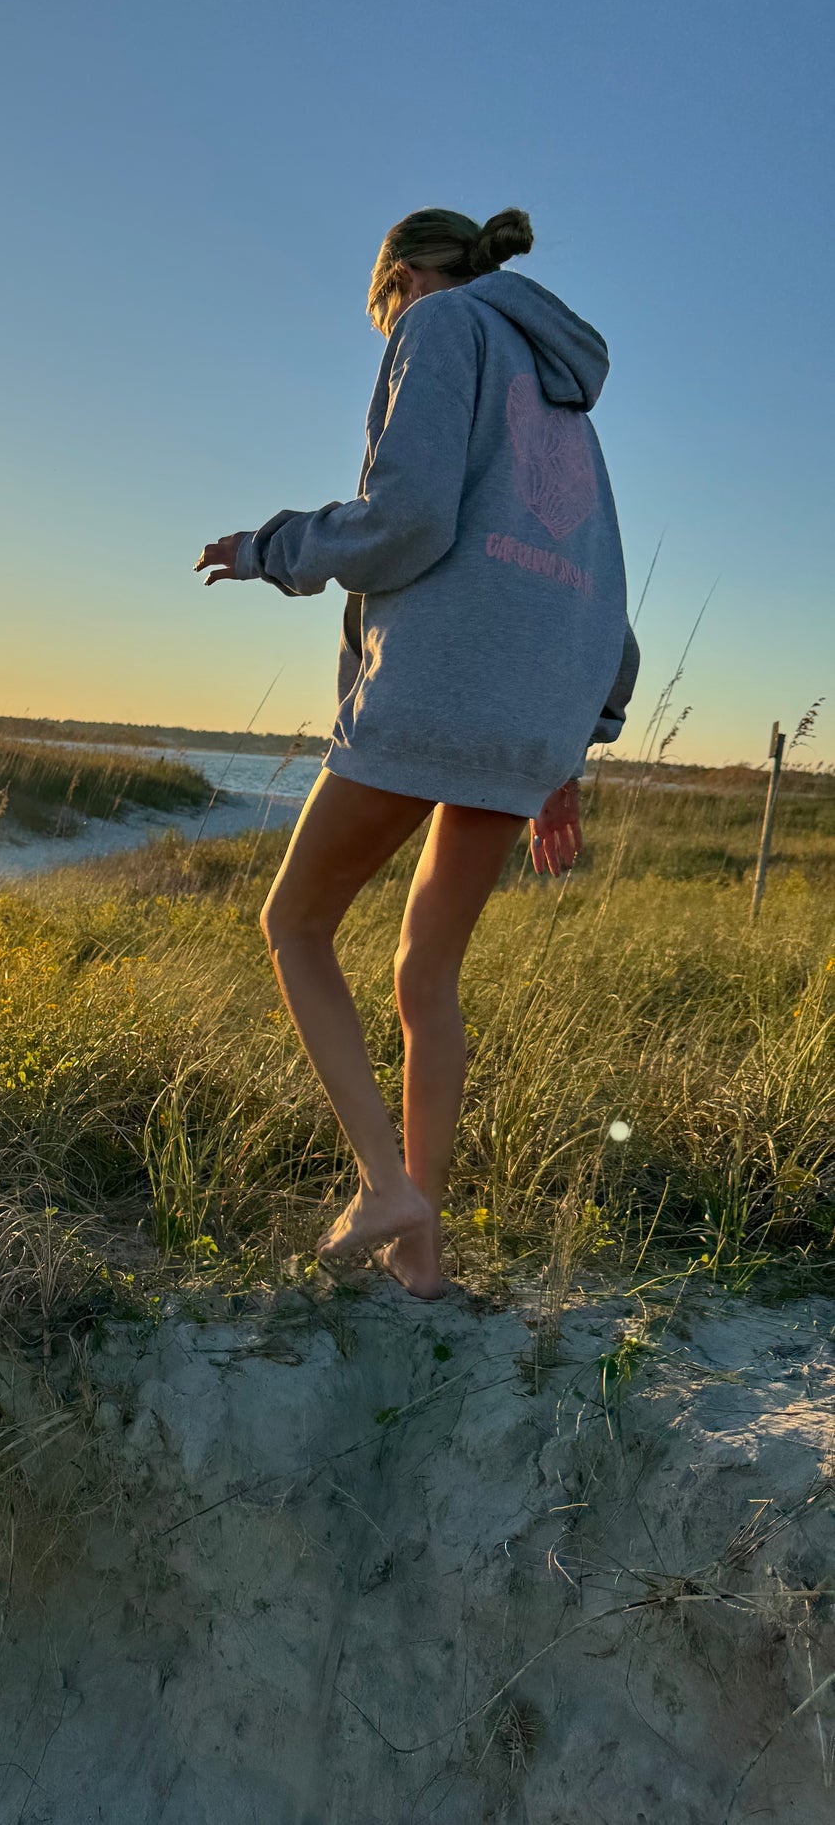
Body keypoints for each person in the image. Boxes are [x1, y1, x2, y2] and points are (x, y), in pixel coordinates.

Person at [196, 207, 638, 1300]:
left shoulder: (439, 328)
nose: (384, 328)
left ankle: (385, 1185)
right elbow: (596, 585)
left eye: (378, 310)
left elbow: (407, 521)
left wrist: (269, 547)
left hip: (439, 685)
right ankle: (418, 1250)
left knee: (293, 922)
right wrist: (569, 743)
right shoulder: (564, 395)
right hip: (532, 709)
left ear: (399, 279)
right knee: (423, 971)